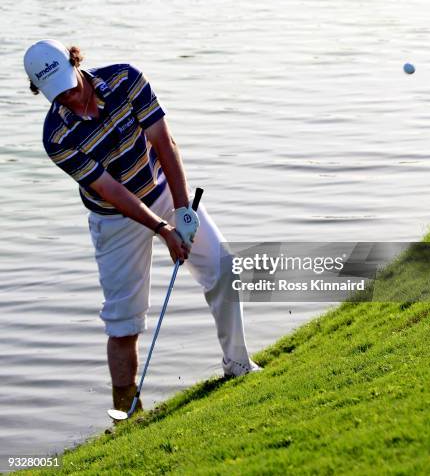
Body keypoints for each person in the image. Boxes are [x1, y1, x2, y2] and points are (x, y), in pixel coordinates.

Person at [24, 39, 261, 415]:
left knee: (223, 266)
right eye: (57, 95)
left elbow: (164, 143)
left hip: (162, 188)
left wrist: (182, 212)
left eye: (70, 87)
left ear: (75, 62)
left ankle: (237, 365)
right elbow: (112, 192)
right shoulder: (56, 136)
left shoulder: (126, 79)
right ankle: (127, 413)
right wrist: (163, 230)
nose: (68, 98)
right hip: (114, 218)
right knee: (124, 321)